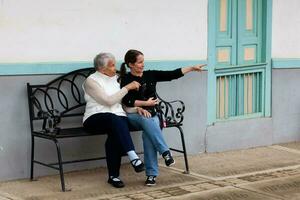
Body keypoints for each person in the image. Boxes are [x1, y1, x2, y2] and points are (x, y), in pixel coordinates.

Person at [119, 49, 206, 186]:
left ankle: (151, 176)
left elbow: (172, 74)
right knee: (146, 120)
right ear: (130, 64)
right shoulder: (126, 79)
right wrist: (144, 104)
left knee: (149, 133)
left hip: (153, 114)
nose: (143, 64)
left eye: (143, 62)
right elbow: (127, 101)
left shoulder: (150, 75)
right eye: (139, 62)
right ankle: (165, 152)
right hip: (134, 115)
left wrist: (191, 68)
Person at [82, 52, 145, 188]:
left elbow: (120, 104)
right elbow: (108, 101)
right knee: (115, 119)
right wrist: (127, 88)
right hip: (95, 119)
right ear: (101, 68)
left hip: (116, 120)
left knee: (116, 128)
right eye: (112, 66)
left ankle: (113, 177)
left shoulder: (116, 78)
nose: (115, 68)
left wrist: (135, 109)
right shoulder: (91, 81)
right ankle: (133, 156)